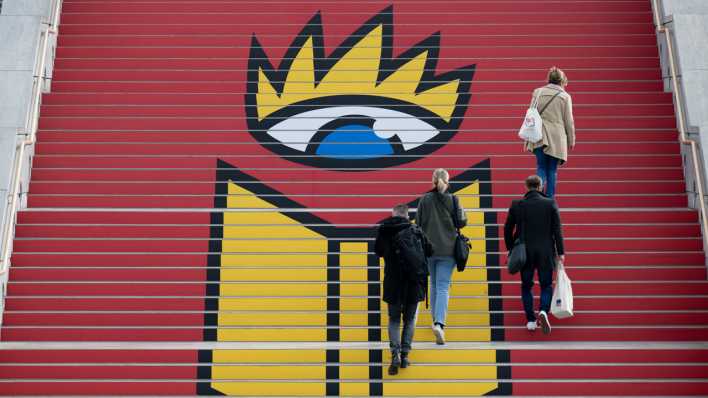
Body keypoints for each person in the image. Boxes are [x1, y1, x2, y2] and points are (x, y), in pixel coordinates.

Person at [504, 175, 565, 335]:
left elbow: (507, 228)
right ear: (540, 186)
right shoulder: (550, 203)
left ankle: (531, 320)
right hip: (546, 251)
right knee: (546, 285)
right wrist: (561, 252)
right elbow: (557, 230)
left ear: (526, 187)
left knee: (526, 285)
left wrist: (511, 247)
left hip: (525, 252)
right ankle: (544, 310)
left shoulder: (517, 205)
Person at [375, 204, 432, 375]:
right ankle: (405, 354)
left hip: (393, 282)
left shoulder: (384, 230)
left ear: (393, 214)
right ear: (407, 215)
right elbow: (429, 250)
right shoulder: (415, 230)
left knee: (393, 320)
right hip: (413, 282)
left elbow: (377, 251)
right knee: (409, 320)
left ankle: (395, 354)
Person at [415, 168, 466, 345]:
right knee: (443, 286)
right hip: (448, 249)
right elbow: (462, 222)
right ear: (447, 180)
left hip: (429, 250)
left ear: (433, 180)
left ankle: (435, 321)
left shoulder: (424, 200)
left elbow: (417, 225)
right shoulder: (453, 199)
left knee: (434, 285)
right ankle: (439, 323)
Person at [525, 67, 576, 198]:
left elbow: (531, 114)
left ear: (549, 78)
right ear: (562, 80)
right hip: (556, 138)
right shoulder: (565, 97)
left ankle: (535, 196)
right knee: (552, 170)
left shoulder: (538, 92)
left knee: (541, 166)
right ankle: (550, 200)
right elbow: (568, 121)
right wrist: (571, 139)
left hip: (538, 135)